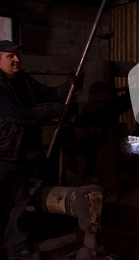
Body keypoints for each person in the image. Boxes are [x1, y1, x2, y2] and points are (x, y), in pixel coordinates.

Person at [0, 40, 81, 260]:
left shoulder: (23, 80)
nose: (16, 59)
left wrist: (70, 86)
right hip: (1, 155)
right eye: (10, 56)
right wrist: (52, 112)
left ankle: (15, 248)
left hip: (18, 154)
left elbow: (49, 93)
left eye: (17, 55)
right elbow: (15, 114)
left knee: (16, 205)